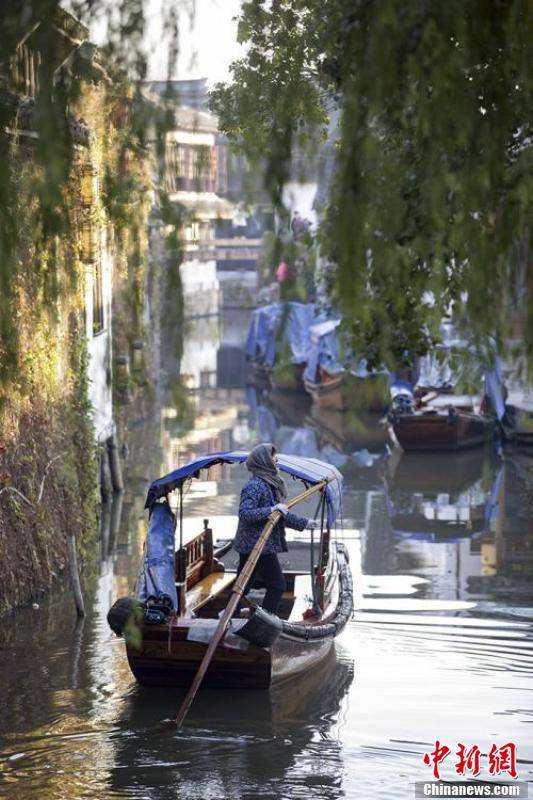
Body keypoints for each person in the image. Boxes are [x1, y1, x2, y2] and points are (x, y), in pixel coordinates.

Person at [233, 443, 319, 615]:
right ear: (264, 461)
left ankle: (231, 614)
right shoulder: (255, 485)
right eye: (272, 457)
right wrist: (271, 510)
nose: (276, 460)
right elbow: (245, 513)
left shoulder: (268, 484)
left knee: (243, 585)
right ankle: (263, 620)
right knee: (277, 585)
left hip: (257, 545)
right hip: (257, 545)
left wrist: (304, 523)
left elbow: (280, 514)